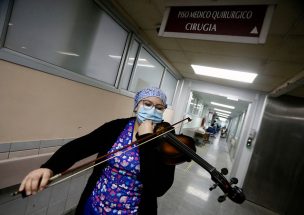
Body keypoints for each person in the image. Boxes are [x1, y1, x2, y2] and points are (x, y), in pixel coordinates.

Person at [18, 87, 176, 215]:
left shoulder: (167, 139)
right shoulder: (116, 127)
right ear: (136, 106)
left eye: (159, 107)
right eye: (147, 104)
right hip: (94, 207)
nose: (152, 110)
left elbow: (159, 187)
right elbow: (80, 147)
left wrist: (146, 139)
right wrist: (49, 167)